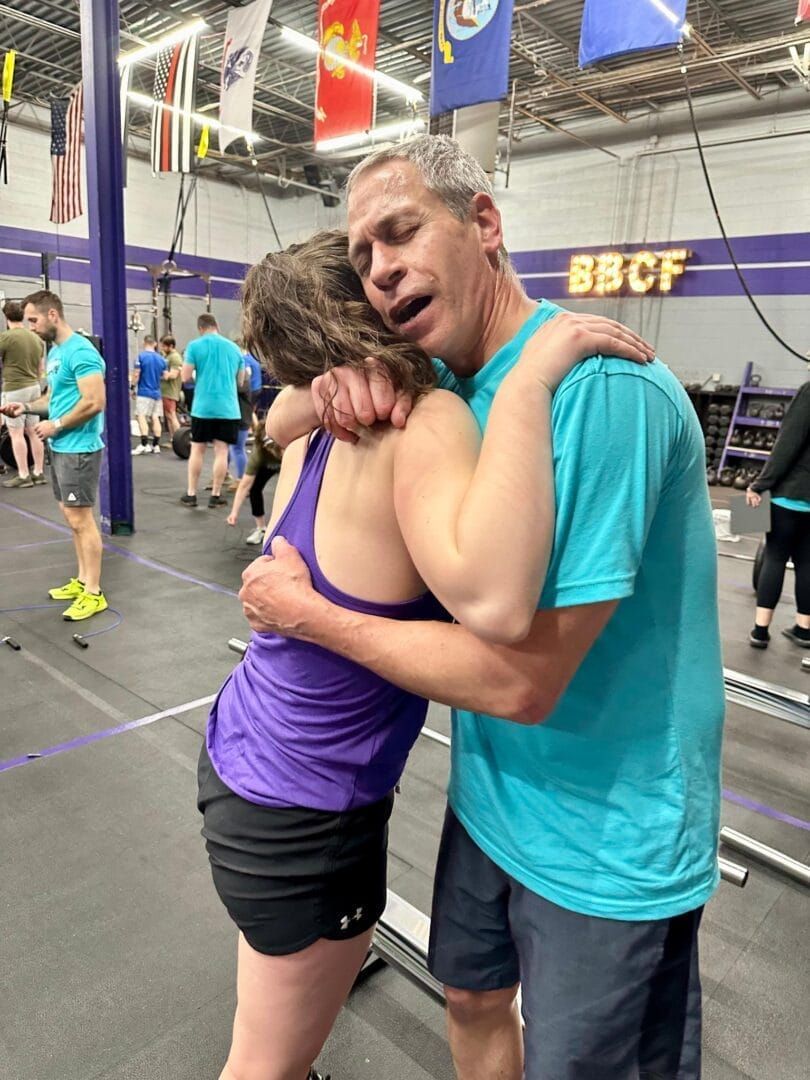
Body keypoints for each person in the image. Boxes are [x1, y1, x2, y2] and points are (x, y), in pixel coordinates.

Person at [247, 135, 725, 1080]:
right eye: (363, 257)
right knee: (469, 999)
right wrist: (322, 389)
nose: (382, 268)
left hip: (608, 835)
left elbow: (521, 682)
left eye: (402, 232)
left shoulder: (601, 392)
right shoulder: (447, 385)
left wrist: (310, 617)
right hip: (493, 801)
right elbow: (277, 419)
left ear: (485, 224)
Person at [0, 290, 107, 621]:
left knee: (81, 519)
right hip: (61, 447)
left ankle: (94, 593)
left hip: (79, 449)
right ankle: (83, 580)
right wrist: (25, 407)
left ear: (52, 315)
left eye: (33, 320)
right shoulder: (58, 352)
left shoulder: (81, 351)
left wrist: (56, 425)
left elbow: (94, 402)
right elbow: (53, 398)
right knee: (71, 517)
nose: (30, 326)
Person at [747, 381, 810, 649]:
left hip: (790, 495)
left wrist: (760, 484)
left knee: (774, 556)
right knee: (807, 562)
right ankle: (804, 630)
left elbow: (788, 444)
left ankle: (760, 631)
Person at [181, 314, 246, 509]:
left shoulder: (194, 346)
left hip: (203, 408)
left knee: (197, 449)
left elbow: (185, 377)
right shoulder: (235, 349)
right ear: (216, 326)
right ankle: (216, 495)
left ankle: (191, 494)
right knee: (222, 451)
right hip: (228, 408)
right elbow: (241, 381)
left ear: (200, 328)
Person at [0, 299, 47, 488]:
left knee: (16, 433)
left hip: (15, 389)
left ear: (6, 317)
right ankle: (39, 472)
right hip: (34, 387)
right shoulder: (36, 339)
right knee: (34, 432)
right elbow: (40, 369)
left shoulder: (6, 337)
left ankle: (23, 475)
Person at [225, 419, 282, 544]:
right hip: (267, 463)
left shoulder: (294, 444)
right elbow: (244, 485)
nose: (277, 451)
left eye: (279, 448)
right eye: (273, 449)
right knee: (254, 488)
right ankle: (261, 529)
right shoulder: (259, 454)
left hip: (292, 459)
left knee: (292, 490)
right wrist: (234, 513)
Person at [131, 336, 166, 456]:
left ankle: (144, 444)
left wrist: (132, 387)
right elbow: (165, 376)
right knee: (155, 417)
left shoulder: (141, 357)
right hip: (157, 393)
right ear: (155, 344)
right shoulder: (161, 359)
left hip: (144, 392)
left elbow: (136, 374)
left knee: (141, 416)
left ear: (144, 343)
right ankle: (156, 445)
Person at [228, 359, 254, 492]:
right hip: (233, 416)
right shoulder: (236, 375)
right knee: (225, 447)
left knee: (237, 448)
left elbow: (237, 388)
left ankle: (242, 481)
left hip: (241, 418)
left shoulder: (242, 378)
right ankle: (224, 474)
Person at [159, 334, 184, 439]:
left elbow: (173, 375)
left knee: (171, 414)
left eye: (164, 346)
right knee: (168, 415)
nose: (162, 348)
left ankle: (179, 439)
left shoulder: (175, 357)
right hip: (165, 391)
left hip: (170, 391)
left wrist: (162, 375)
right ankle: (173, 438)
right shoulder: (167, 356)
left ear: (171, 346)